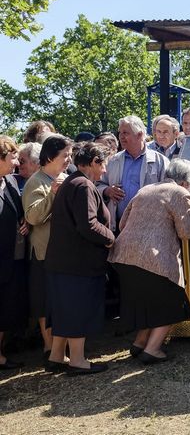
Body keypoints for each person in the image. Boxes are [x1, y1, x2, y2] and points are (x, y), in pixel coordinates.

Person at [109, 159, 190, 364]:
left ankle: (140, 343)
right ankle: (153, 349)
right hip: (154, 257)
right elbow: (186, 232)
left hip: (124, 255)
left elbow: (122, 223)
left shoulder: (146, 189)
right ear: (185, 182)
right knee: (172, 302)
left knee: (145, 303)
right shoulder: (180, 193)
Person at [45, 142, 115, 375]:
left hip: (63, 262)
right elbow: (88, 224)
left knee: (65, 309)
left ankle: (57, 355)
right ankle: (77, 359)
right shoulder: (83, 185)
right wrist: (111, 238)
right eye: (103, 164)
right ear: (94, 162)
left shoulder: (71, 182)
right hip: (78, 264)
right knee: (77, 309)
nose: (104, 170)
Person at [22, 134, 72, 361]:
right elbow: (32, 216)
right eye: (65, 155)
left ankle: (61, 346)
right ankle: (49, 346)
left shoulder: (65, 176)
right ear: (51, 156)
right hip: (43, 253)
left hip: (61, 252)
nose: (68, 159)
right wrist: (52, 194)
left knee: (61, 300)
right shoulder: (36, 181)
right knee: (45, 301)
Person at [97, 115, 170, 233]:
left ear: (140, 134)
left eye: (125, 133)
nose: (121, 137)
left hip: (150, 227)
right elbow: (98, 184)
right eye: (119, 132)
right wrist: (107, 191)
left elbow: (169, 192)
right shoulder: (112, 161)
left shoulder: (160, 161)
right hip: (118, 227)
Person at [0, 136, 28, 371]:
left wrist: (25, 222)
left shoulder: (8, 182)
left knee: (6, 309)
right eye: (12, 157)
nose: (17, 162)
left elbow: (19, 212)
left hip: (10, 259)